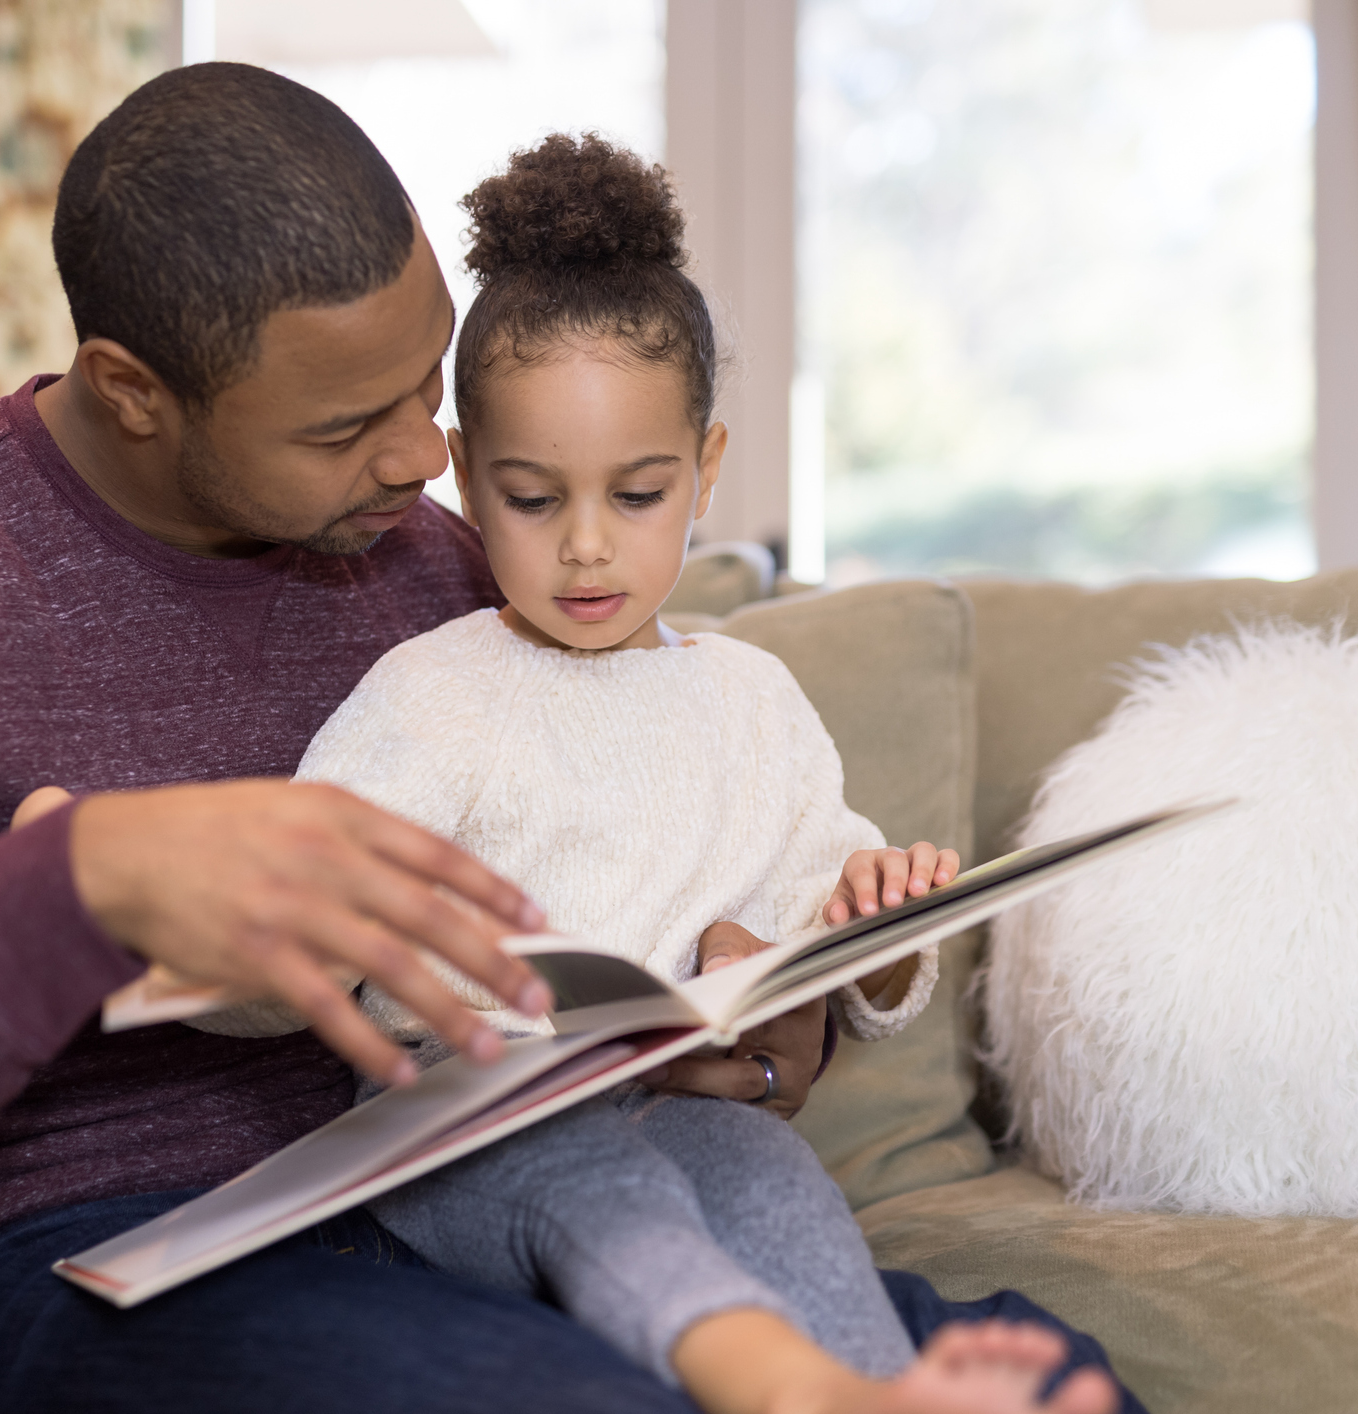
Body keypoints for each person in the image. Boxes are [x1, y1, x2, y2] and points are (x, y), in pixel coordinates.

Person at [0, 63, 1136, 1413]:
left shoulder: (440, 553)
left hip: (459, 1201)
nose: (420, 461)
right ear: (134, 393)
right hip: (66, 1264)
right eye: (342, 426)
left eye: (428, 388)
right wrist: (71, 888)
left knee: (1050, 1374)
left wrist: (750, 1027)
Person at [119, 133, 1116, 1414]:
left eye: (638, 494)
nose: (587, 550)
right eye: (534, 499)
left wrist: (878, 920)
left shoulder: (753, 702)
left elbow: (829, 938)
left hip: (683, 1101)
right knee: (600, 1175)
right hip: (459, 1134)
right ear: (468, 481)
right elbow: (291, 912)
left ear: (703, 471)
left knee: (766, 1180)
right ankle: (781, 1385)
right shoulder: (433, 692)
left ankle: (871, 1387)